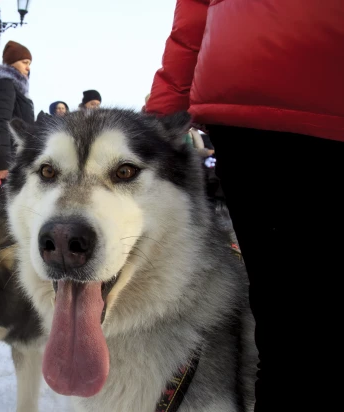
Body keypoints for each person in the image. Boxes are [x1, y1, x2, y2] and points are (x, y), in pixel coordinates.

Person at [145, 1, 344, 410]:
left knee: (284, 321)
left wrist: (162, 114)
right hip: (327, 79)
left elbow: (193, 16)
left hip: (248, 86)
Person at [0, 40, 35, 208]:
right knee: (1, 212)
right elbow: (0, 121)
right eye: (24, 62)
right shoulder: (5, 84)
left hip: (16, 160)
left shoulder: (17, 88)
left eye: (29, 63)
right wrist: (2, 162)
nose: (28, 67)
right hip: (6, 163)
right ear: (12, 62)